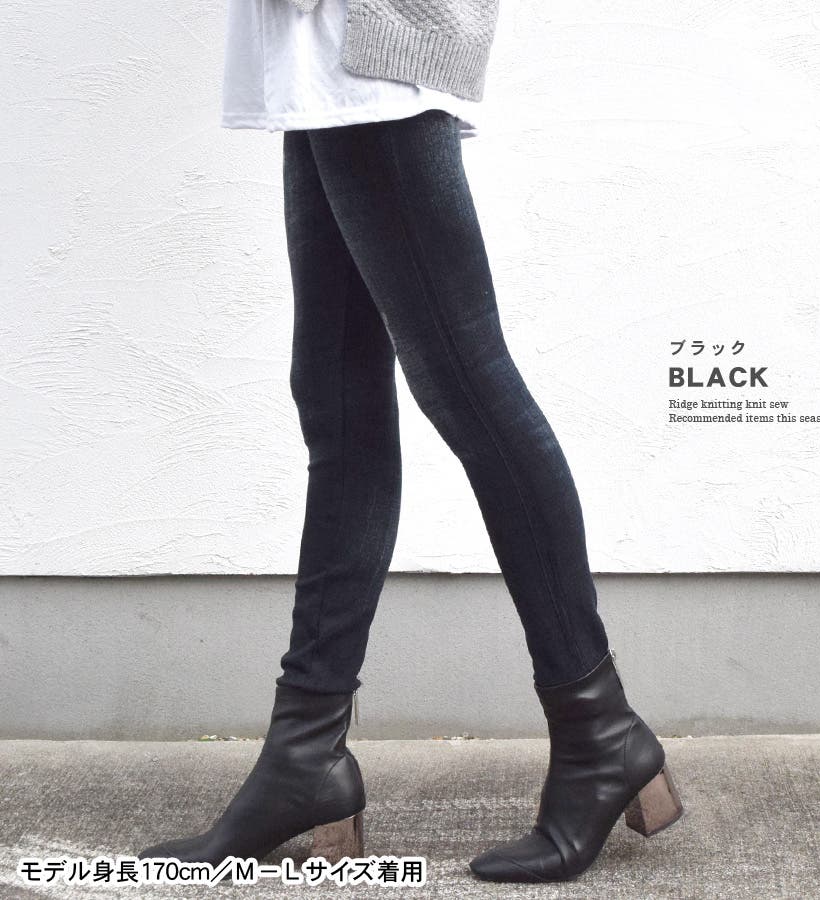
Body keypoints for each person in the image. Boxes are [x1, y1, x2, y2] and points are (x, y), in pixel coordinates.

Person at [138, 0, 683, 883]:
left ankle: (599, 727)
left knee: (469, 386)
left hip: (372, 58)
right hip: (322, 60)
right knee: (339, 405)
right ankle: (305, 754)